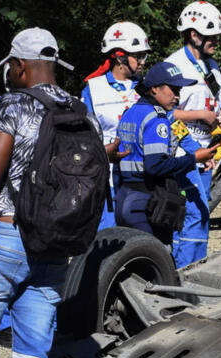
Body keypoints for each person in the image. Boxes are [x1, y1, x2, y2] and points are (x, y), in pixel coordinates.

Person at [0, 28, 101, 358]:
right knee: (33, 355)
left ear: (20, 65)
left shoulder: (10, 105)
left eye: (11, 67)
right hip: (55, 245)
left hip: (7, 235)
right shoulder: (79, 110)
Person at [165, 1, 221, 267]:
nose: (217, 40)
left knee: (203, 216)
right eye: (212, 35)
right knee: (187, 217)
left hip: (205, 156)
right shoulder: (174, 66)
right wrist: (197, 118)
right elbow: (164, 115)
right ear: (194, 35)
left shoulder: (212, 67)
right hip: (181, 155)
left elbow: (218, 113)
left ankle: (198, 270)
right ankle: (180, 274)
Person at [116, 62, 217, 244]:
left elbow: (178, 132)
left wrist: (195, 150)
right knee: (157, 263)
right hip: (147, 202)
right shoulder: (156, 119)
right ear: (155, 88)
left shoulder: (131, 112)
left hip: (125, 197)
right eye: (174, 90)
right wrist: (194, 159)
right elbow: (156, 166)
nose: (177, 97)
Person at [83, 21, 150, 230]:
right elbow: (84, 135)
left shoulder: (148, 87)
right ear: (120, 57)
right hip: (107, 182)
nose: (143, 61)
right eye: (138, 56)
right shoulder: (93, 89)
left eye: (144, 55)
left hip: (143, 179)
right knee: (108, 240)